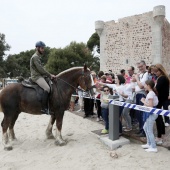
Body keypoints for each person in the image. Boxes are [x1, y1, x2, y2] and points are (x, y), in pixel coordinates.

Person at [30, 41, 56, 114]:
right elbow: (40, 69)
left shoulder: (38, 57)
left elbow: (42, 69)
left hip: (41, 75)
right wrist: (50, 75)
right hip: (36, 76)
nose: (43, 49)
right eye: (42, 48)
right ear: (37, 48)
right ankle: (44, 108)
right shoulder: (35, 57)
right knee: (47, 88)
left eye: (43, 48)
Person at [154, 64, 170, 144]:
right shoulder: (163, 77)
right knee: (159, 118)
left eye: (156, 71)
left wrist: (149, 88)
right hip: (161, 99)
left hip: (159, 100)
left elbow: (156, 89)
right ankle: (161, 134)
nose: (155, 73)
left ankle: (159, 137)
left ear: (160, 70)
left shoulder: (162, 78)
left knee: (158, 119)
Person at [140, 80, 158, 153]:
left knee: (149, 130)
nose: (144, 86)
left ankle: (153, 147)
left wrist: (143, 101)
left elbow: (150, 106)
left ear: (148, 85)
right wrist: (145, 100)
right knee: (145, 127)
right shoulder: (150, 93)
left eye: (145, 85)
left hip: (151, 113)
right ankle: (149, 143)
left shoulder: (151, 94)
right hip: (150, 113)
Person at [135, 60, 148, 137]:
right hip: (138, 94)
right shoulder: (141, 74)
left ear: (145, 65)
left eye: (141, 66)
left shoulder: (146, 74)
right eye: (139, 67)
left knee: (142, 113)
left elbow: (141, 86)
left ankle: (143, 131)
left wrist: (136, 78)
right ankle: (141, 129)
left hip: (142, 95)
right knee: (138, 113)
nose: (140, 68)